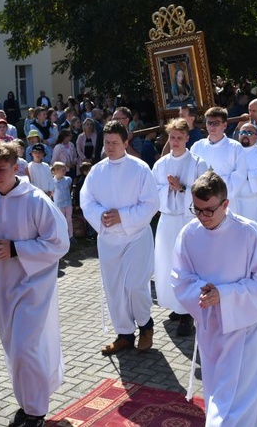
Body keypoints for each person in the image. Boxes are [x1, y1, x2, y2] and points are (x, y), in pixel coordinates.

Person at [0, 141, 69, 427]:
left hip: (35, 285)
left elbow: (59, 242)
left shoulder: (36, 200)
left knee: (26, 347)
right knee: (14, 347)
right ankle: (26, 403)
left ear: (15, 168)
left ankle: (36, 411)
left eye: (2, 169)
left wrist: (16, 249)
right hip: (3, 283)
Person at [171, 170, 257, 426]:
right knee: (216, 395)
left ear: (226, 204)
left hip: (245, 331)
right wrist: (203, 293)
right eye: (197, 209)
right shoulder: (189, 233)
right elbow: (179, 276)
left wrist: (225, 295)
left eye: (209, 210)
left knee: (237, 406)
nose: (202, 217)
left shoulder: (248, 232)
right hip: (210, 328)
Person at [80, 121, 159, 355]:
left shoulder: (140, 169)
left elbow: (151, 204)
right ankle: (124, 334)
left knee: (135, 286)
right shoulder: (97, 171)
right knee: (114, 288)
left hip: (135, 237)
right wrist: (101, 216)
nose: (110, 147)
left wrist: (122, 217)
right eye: (107, 143)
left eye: (115, 142)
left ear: (126, 142)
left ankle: (146, 326)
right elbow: (86, 200)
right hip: (108, 240)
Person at [151, 118, 208, 336]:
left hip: (188, 220)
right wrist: (167, 190)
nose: (175, 141)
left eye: (179, 137)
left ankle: (187, 314)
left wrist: (182, 188)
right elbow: (153, 190)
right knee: (167, 263)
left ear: (187, 137)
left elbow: (203, 192)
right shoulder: (161, 164)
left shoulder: (197, 162)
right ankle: (176, 304)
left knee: (186, 265)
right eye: (171, 137)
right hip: (167, 219)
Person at [190, 107, 247, 213]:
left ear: (224, 125)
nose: (212, 126)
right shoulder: (197, 147)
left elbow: (240, 176)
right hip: (203, 201)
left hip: (227, 201)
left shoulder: (235, 147)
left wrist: (216, 193)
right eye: (209, 123)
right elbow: (192, 174)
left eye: (216, 123)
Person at [51, 161, 73, 241]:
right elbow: (52, 193)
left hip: (68, 203)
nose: (65, 172)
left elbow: (69, 189)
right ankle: (62, 236)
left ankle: (71, 236)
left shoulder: (68, 179)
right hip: (59, 204)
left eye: (65, 170)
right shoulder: (52, 182)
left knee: (69, 219)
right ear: (56, 171)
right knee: (61, 220)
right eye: (62, 170)